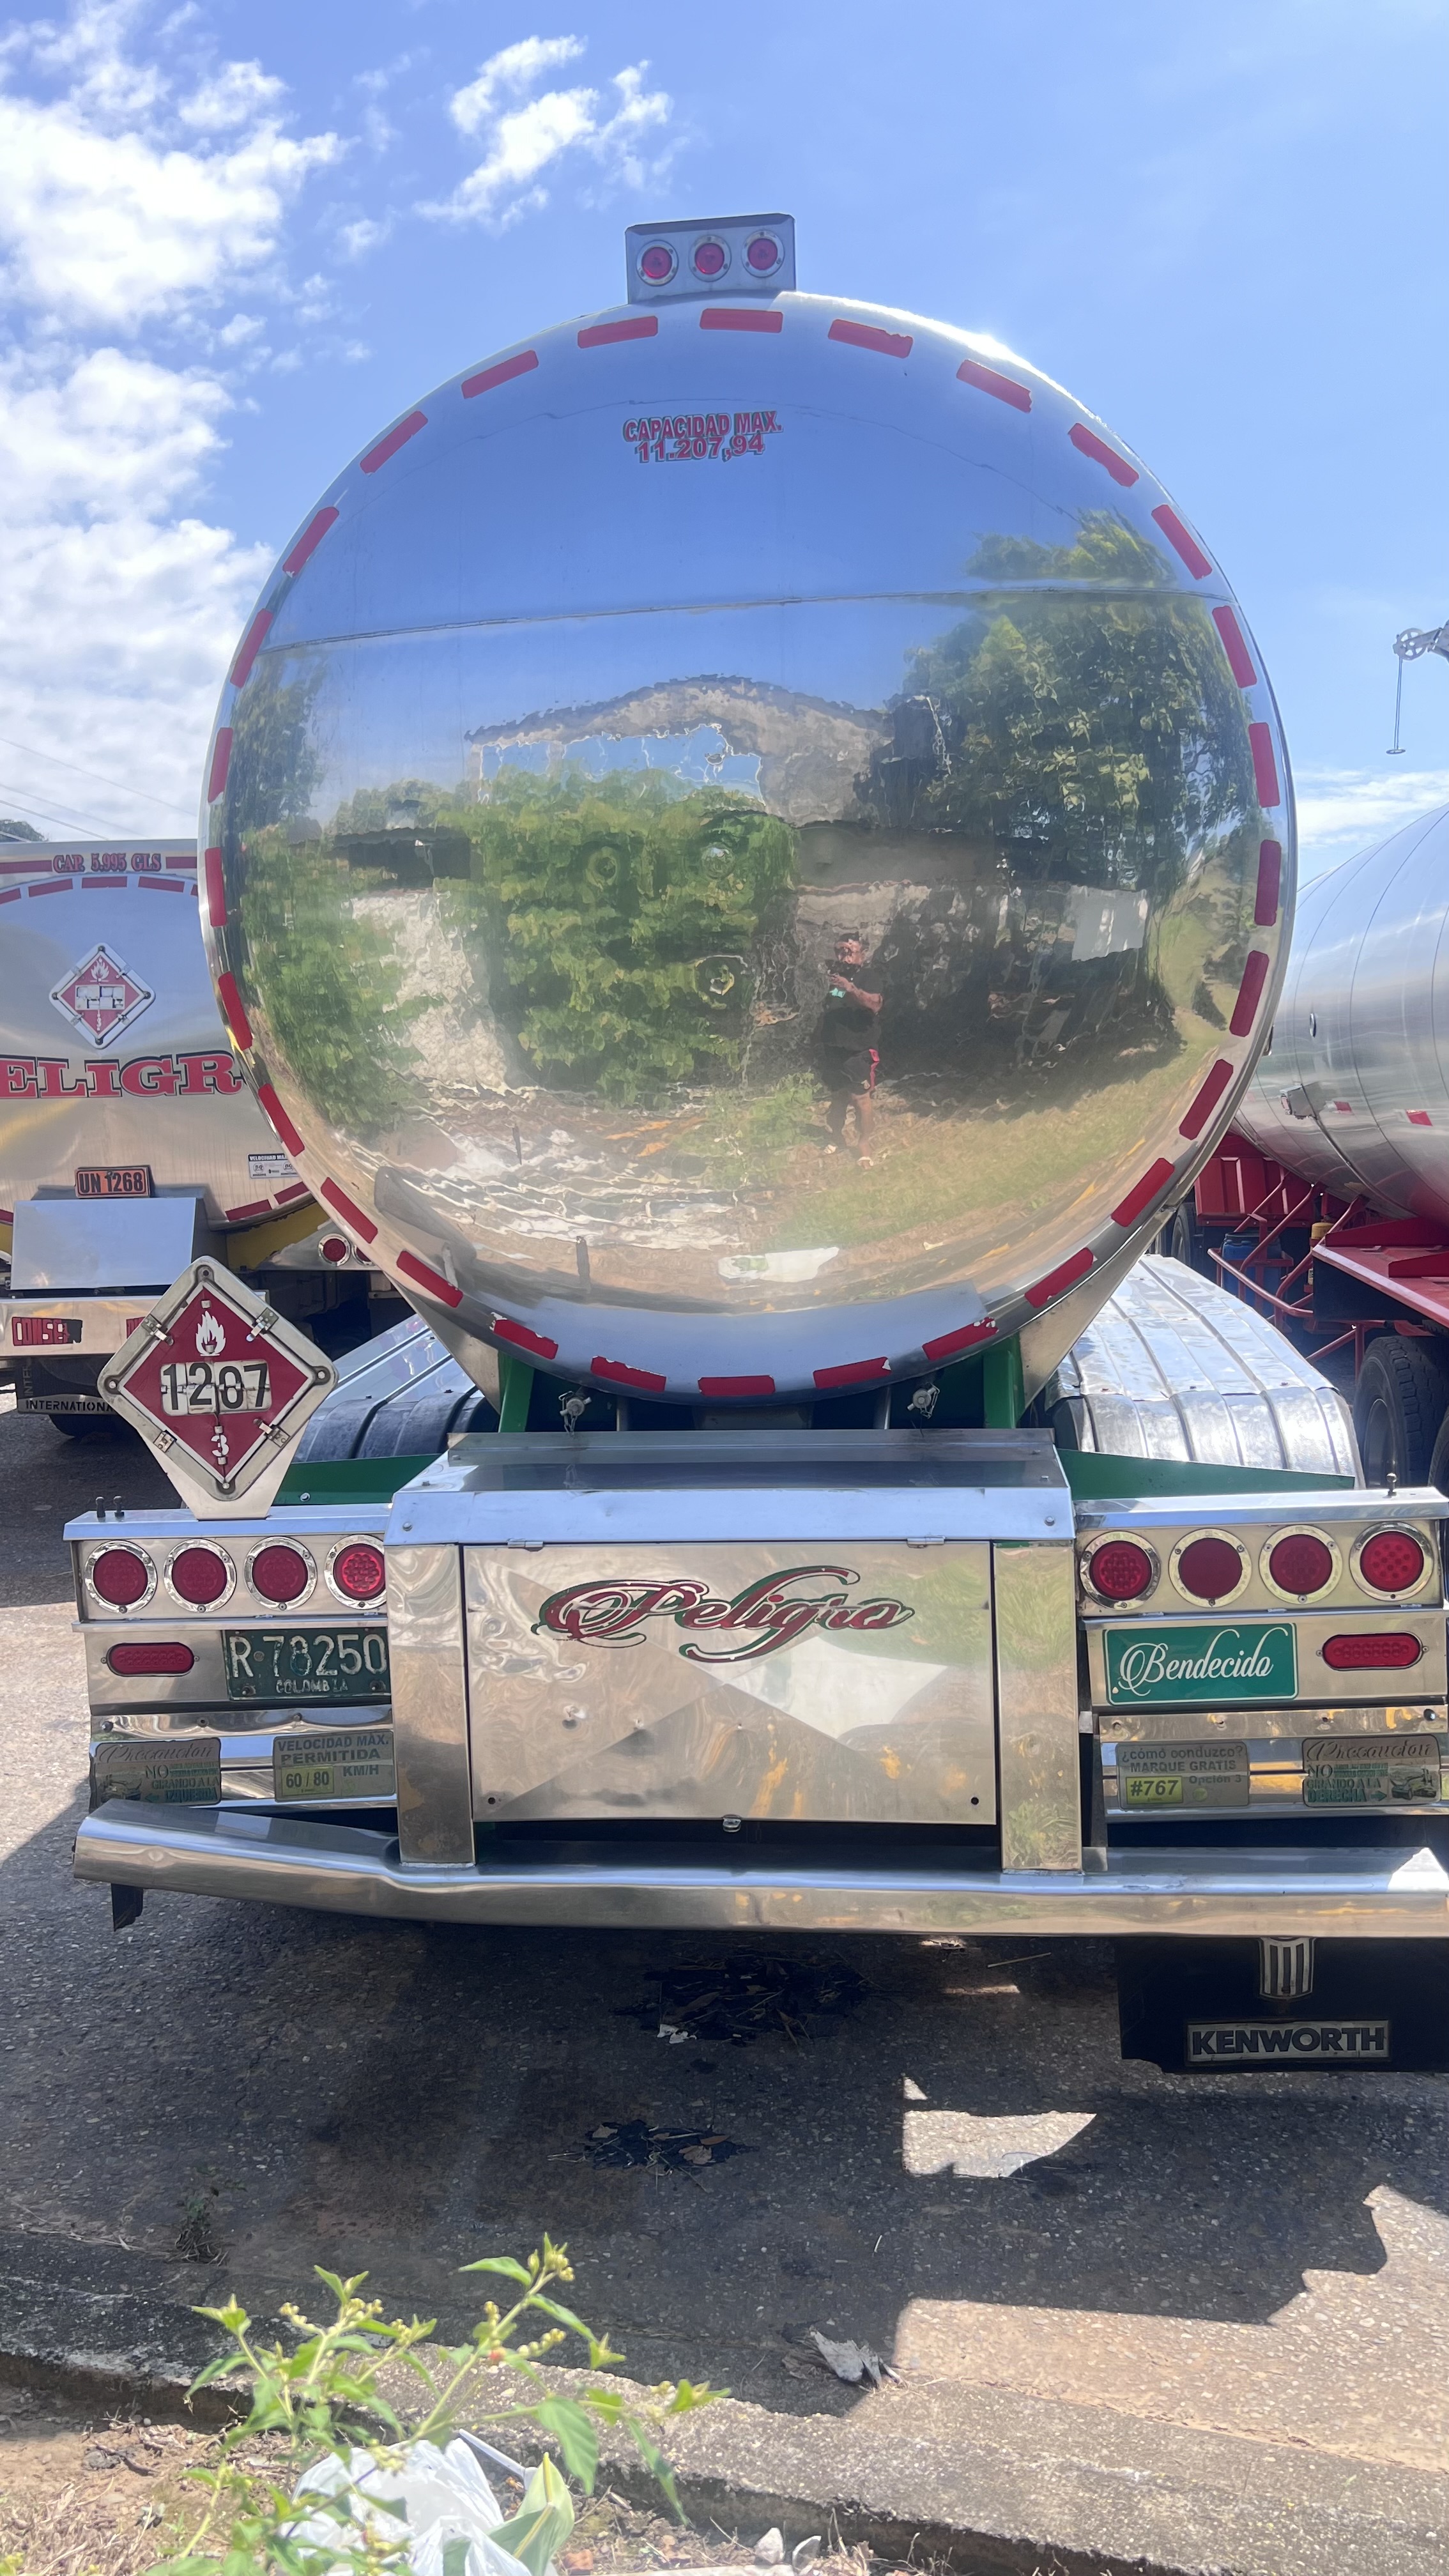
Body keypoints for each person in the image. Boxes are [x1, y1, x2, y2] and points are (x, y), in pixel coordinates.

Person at [818, 933, 882, 1162]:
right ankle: (836, 1137)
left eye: (848, 951)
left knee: (861, 1099)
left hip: (859, 1050)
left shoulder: (869, 976)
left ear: (862, 953)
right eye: (839, 951)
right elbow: (833, 1003)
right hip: (834, 1049)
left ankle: (864, 1143)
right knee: (837, 1096)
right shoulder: (837, 978)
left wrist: (851, 988)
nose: (842, 957)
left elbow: (875, 1005)